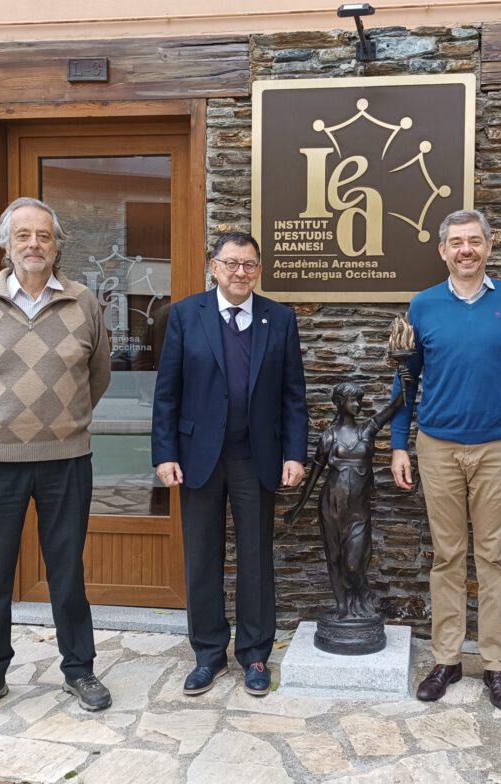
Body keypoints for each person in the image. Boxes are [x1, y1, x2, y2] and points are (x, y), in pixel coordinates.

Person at [0, 197, 112, 725]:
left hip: (66, 459)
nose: (34, 244)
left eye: (43, 235)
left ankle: (79, 669)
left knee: (67, 573)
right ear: (6, 244)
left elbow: (99, 374)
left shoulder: (84, 303)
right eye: (23, 236)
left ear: (57, 244)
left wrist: (63, 421)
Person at [390, 209, 501, 711]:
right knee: (448, 557)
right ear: (443, 251)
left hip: (499, 448)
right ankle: (447, 659)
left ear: (488, 246)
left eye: (474, 241)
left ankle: (496, 666)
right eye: (456, 242)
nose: (466, 250)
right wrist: (398, 443)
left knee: (495, 559)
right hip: (436, 447)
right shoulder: (423, 306)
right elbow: (405, 381)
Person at [152, 231, 307, 697]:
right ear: (213, 266)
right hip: (198, 458)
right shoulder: (183, 315)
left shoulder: (278, 319)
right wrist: (165, 453)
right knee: (202, 558)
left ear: (259, 270)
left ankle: (256, 654)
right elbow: (167, 392)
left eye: (249, 265)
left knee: (256, 560)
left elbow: (293, 395)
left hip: (255, 458)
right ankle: (208, 654)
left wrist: (295, 453)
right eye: (232, 263)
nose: (241, 273)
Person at [284, 376, 410, 620]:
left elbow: (395, 407)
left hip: (358, 510)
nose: (358, 405)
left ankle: (361, 597)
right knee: (334, 557)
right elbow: (314, 476)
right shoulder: (329, 437)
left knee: (354, 562)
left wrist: (406, 380)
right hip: (331, 506)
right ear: (339, 403)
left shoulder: (367, 430)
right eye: (353, 400)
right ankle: (343, 605)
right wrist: (299, 505)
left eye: (359, 401)